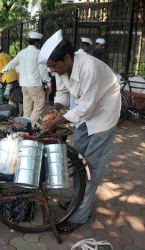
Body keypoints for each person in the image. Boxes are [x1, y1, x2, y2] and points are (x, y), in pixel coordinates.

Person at [38, 30, 121, 233]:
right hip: (84, 116)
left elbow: (86, 107)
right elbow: (63, 93)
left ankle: (80, 216)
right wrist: (56, 109)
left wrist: (56, 122)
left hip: (103, 116)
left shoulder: (89, 67)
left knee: (91, 168)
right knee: (78, 162)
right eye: (50, 67)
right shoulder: (62, 68)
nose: (54, 70)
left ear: (67, 57)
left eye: (55, 66)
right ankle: (77, 201)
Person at [0, 32, 50, 125]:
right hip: (35, 85)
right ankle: (30, 125)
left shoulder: (21, 53)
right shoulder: (38, 53)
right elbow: (42, 70)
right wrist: (48, 82)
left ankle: (24, 128)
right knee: (39, 106)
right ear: (36, 42)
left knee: (27, 109)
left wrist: (2, 71)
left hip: (24, 85)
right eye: (39, 42)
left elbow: (12, 64)